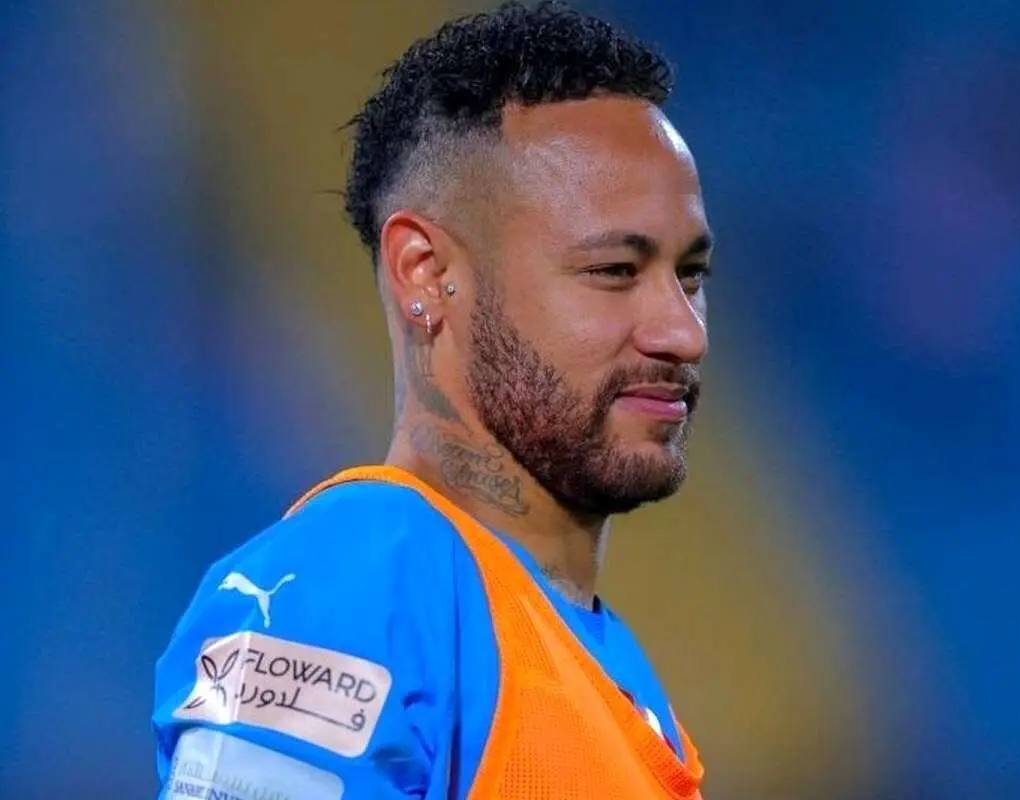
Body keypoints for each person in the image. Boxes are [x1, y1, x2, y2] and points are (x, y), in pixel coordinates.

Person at [153, 2, 714, 797]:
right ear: (425, 273)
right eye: (614, 272)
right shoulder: (355, 584)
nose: (683, 332)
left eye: (690, 274)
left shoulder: (605, 664)